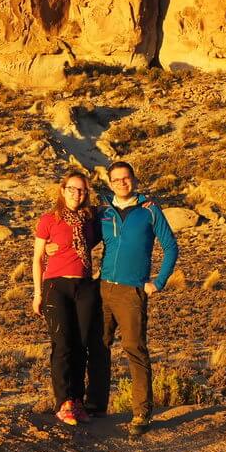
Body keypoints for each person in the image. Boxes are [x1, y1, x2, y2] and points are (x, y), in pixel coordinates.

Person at [93, 160, 178, 436]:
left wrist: (159, 282)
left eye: (126, 178)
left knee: (134, 349)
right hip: (103, 288)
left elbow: (170, 246)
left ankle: (141, 413)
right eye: (116, 180)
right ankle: (95, 406)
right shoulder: (103, 212)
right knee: (98, 348)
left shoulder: (150, 211)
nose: (122, 183)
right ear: (109, 183)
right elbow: (84, 240)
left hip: (132, 291)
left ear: (134, 179)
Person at [32, 170, 105, 427]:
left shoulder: (89, 220)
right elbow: (38, 258)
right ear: (62, 190)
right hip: (56, 286)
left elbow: (115, 205)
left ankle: (77, 401)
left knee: (81, 345)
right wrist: (37, 293)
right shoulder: (48, 220)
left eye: (82, 190)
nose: (77, 193)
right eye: (72, 188)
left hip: (84, 286)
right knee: (62, 344)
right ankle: (62, 402)